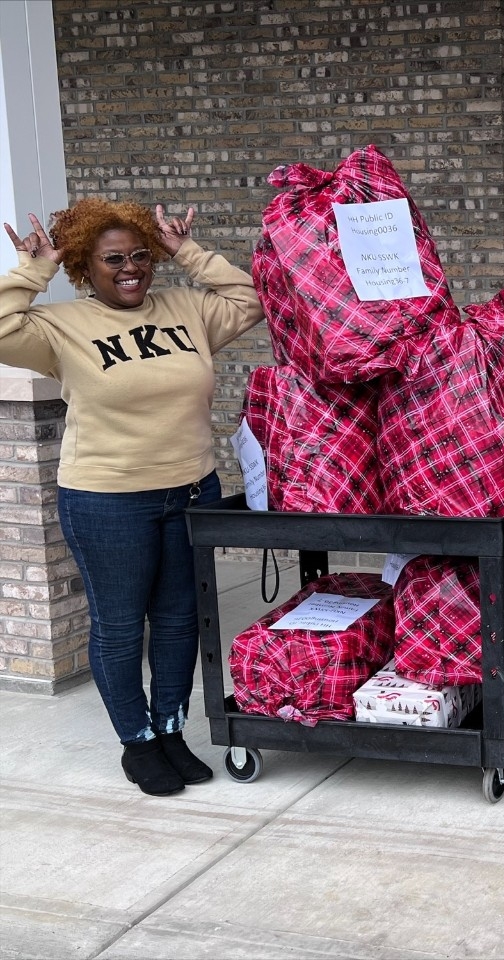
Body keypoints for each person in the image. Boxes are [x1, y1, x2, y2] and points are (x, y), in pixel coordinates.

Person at [2, 199, 264, 796]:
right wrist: (33, 271)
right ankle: (137, 741)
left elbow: (251, 299)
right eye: (112, 258)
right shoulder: (60, 326)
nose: (130, 268)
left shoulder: (188, 308)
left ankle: (170, 729)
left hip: (192, 486)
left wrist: (185, 251)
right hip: (108, 498)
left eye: (140, 254)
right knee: (121, 627)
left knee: (178, 622)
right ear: (84, 267)